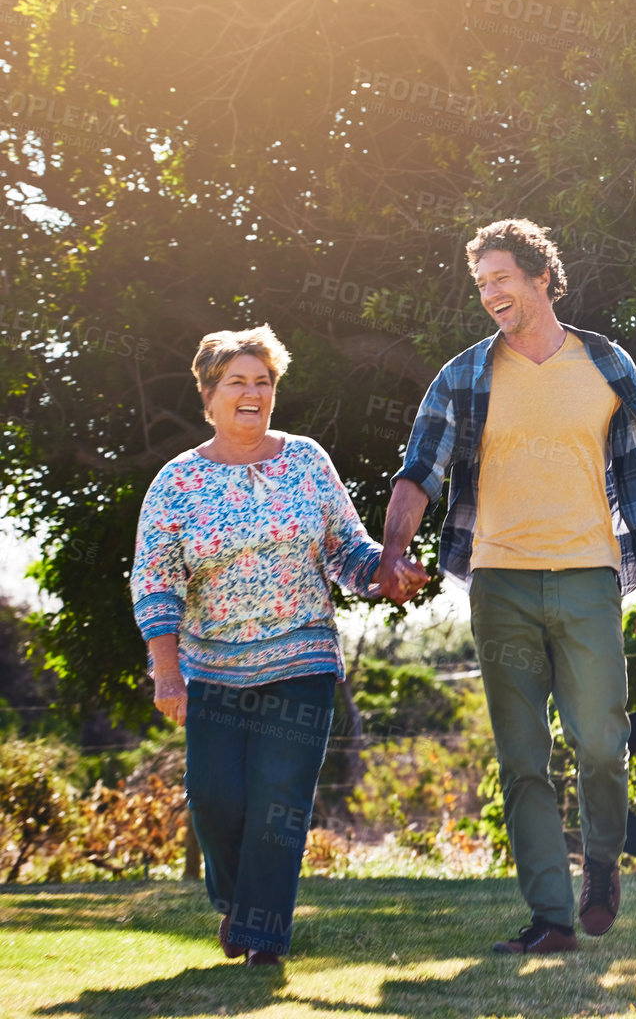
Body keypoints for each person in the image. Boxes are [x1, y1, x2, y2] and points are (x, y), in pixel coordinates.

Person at [379, 219, 636, 956]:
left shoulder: (606, 363)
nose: (490, 293)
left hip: (589, 578)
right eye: (481, 283)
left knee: (599, 745)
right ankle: (552, 915)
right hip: (501, 585)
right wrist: (395, 552)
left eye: (501, 278)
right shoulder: (465, 374)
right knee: (523, 755)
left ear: (541, 280)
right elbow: (418, 470)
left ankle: (604, 867)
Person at [132, 325, 425, 966]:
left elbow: (345, 548)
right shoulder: (176, 483)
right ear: (208, 395)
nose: (253, 393)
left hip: (302, 662)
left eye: (263, 382)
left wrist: (384, 571)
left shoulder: (306, 461)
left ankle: (263, 937)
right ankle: (240, 904)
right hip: (213, 668)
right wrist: (166, 671)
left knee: (279, 802)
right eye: (237, 382)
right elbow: (156, 583)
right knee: (214, 800)